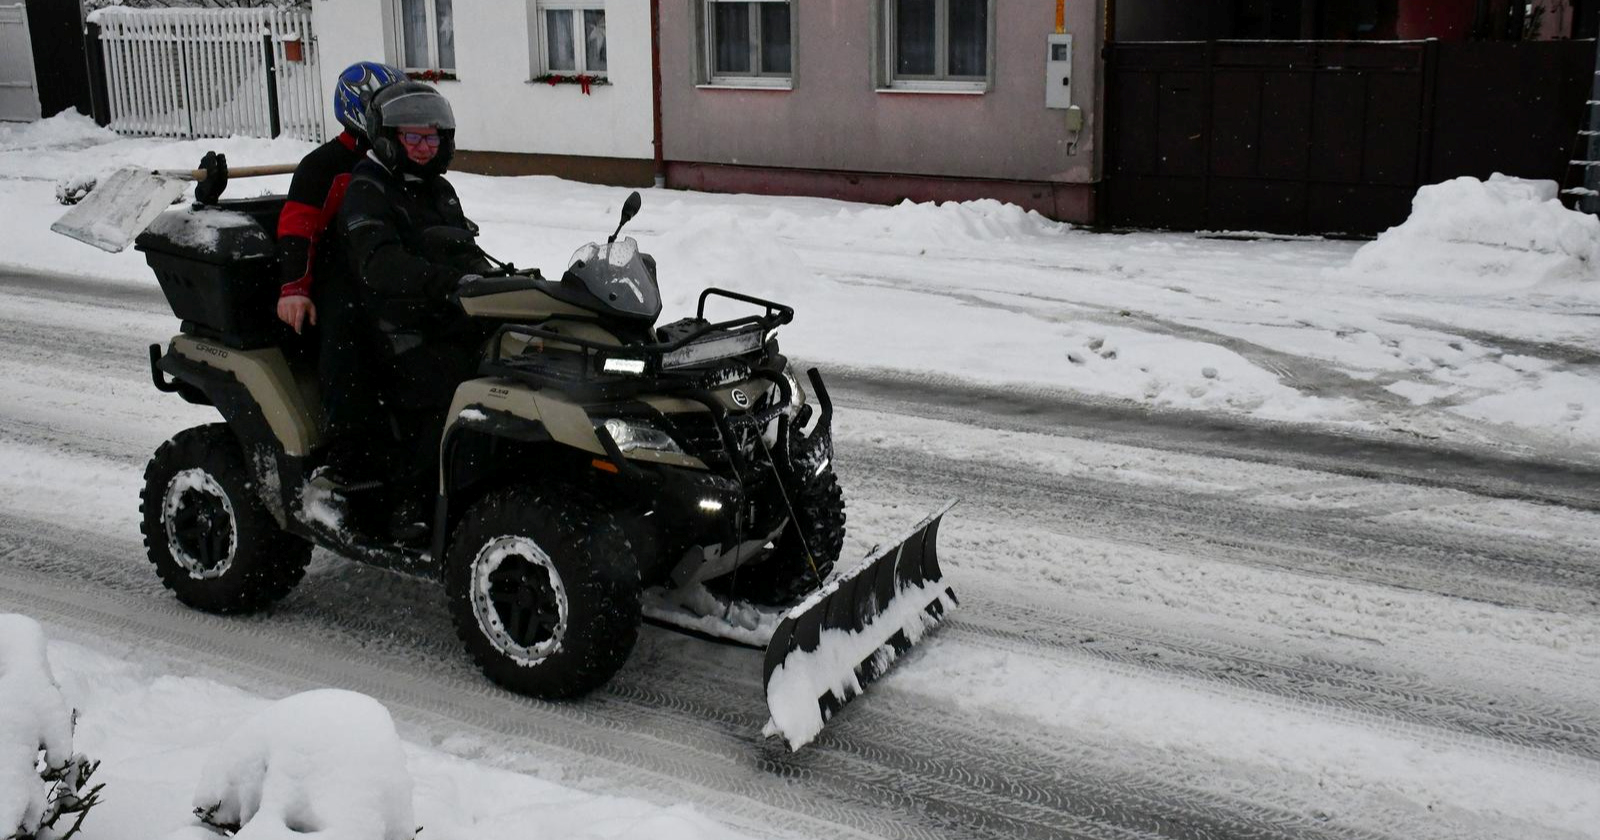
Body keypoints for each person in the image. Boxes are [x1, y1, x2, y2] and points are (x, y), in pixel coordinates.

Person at [338, 81, 492, 541]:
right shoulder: (368, 190)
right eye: (413, 138)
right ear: (388, 139)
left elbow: (462, 250)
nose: (425, 148)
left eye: (433, 138)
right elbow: (380, 264)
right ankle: (412, 503)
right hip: (391, 327)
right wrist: (444, 282)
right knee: (453, 387)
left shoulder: (437, 189)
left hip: (440, 317)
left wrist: (501, 281)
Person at [275, 61, 404, 489]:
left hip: (386, 271)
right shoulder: (323, 166)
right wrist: (294, 289)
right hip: (339, 279)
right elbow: (297, 231)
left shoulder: (398, 159)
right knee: (346, 338)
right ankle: (347, 452)